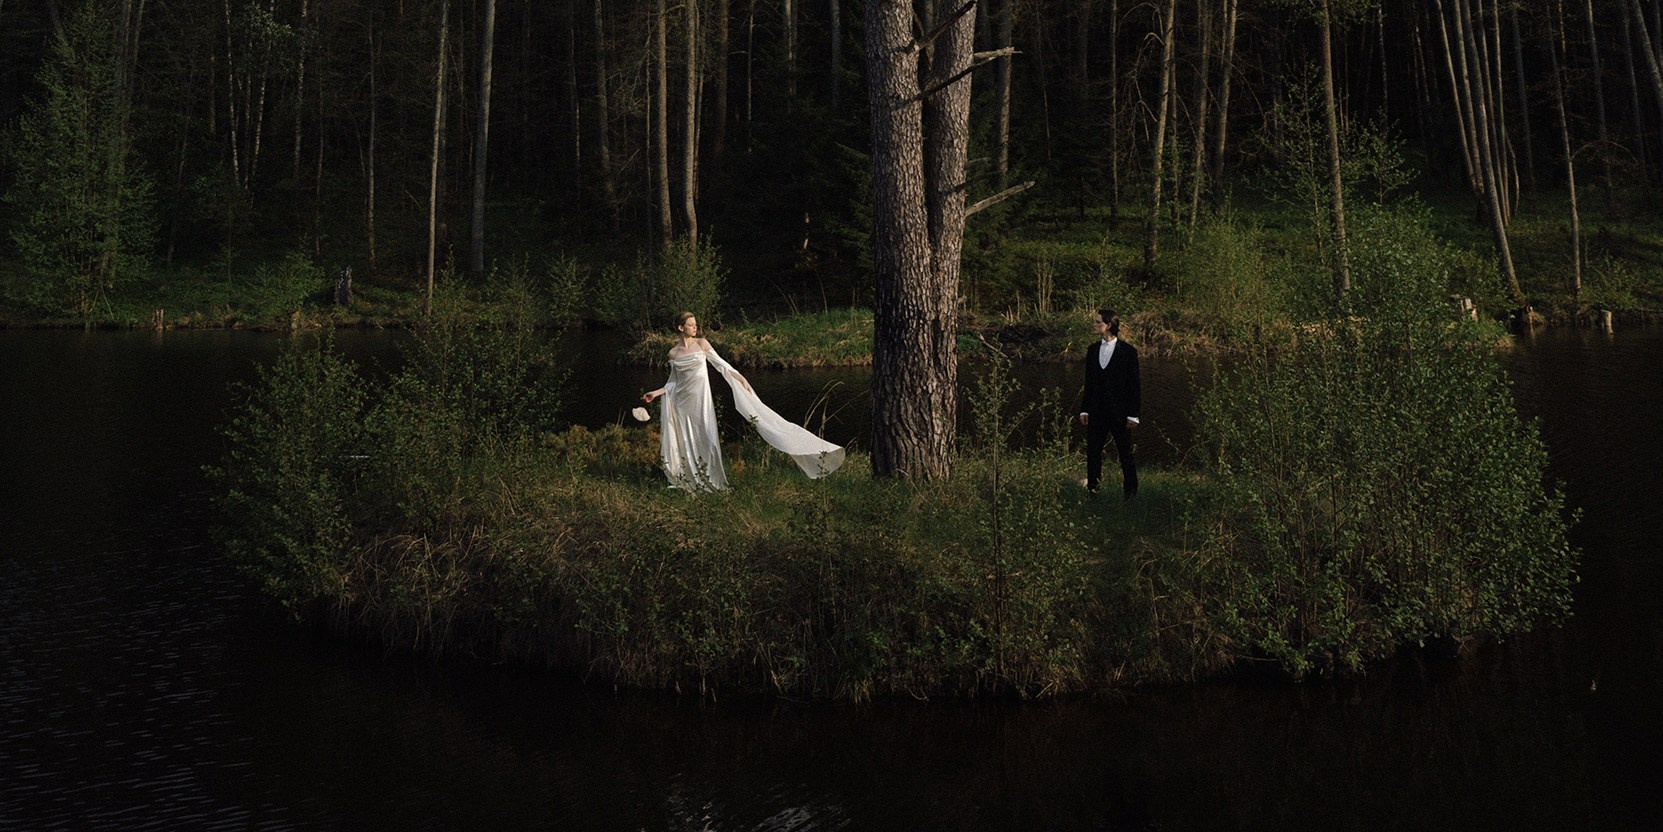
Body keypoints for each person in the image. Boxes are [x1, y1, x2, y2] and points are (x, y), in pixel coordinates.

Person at [642, 312, 845, 491]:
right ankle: (688, 478)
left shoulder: (702, 344)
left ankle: (709, 478)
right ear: (680, 328)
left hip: (700, 401)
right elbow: (673, 382)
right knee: (685, 440)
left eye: (695, 324)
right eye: (691, 325)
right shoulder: (673, 353)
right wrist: (655, 393)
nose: (695, 327)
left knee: (708, 437)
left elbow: (721, 364)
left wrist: (741, 378)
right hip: (682, 403)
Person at [1078, 308, 1140, 498]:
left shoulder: (1129, 352)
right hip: (1096, 412)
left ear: (1109, 325)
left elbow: (1134, 385)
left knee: (1125, 453)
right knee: (1093, 453)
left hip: (1120, 413)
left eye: (1098, 322)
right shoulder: (1092, 350)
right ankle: (1093, 491)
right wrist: (1084, 410)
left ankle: (1130, 494)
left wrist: (1133, 415)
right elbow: (1088, 383)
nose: (1095, 325)